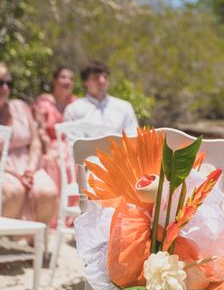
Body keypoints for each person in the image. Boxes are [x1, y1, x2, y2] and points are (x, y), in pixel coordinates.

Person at [0, 63, 57, 224]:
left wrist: (30, 169)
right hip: (4, 168)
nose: (4, 88)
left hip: (27, 164)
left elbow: (34, 142)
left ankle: (37, 241)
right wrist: (15, 174)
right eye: (0, 83)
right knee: (13, 191)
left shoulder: (20, 107)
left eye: (8, 83)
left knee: (48, 191)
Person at [33, 66, 77, 222]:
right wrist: (49, 148)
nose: (67, 82)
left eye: (71, 79)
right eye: (64, 77)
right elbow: (40, 129)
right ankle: (52, 218)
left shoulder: (75, 102)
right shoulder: (43, 103)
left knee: (75, 161)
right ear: (55, 80)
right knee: (54, 162)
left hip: (71, 145)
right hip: (50, 145)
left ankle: (71, 217)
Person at [63, 61, 138, 136]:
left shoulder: (124, 107)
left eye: (105, 77)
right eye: (96, 78)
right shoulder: (73, 110)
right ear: (85, 82)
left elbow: (133, 137)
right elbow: (72, 142)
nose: (102, 81)